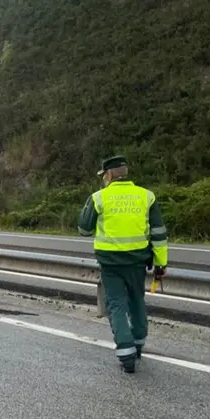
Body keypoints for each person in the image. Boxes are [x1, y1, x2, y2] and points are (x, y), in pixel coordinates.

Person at [78, 156, 168, 373]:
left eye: (104, 176)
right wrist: (161, 263)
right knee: (137, 300)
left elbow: (84, 229)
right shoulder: (146, 196)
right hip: (138, 262)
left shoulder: (99, 198)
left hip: (110, 264)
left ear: (108, 175)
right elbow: (159, 233)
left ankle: (126, 353)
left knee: (116, 304)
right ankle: (138, 344)